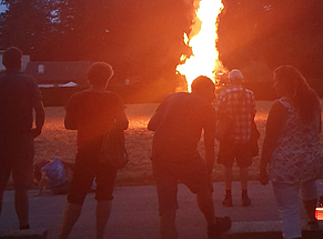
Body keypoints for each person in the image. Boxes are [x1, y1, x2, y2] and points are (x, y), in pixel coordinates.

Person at [148, 75, 231, 239]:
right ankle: (212, 225)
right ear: (204, 89)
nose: (213, 96)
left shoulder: (172, 97)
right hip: (185, 155)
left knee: (167, 208)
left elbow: (152, 125)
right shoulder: (207, 108)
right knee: (203, 188)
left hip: (159, 154)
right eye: (212, 91)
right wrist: (207, 174)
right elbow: (209, 146)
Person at [57, 62, 128, 239]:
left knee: (77, 195)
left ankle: (63, 235)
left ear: (89, 77)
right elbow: (123, 123)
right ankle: (100, 235)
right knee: (105, 195)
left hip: (85, 150)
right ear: (108, 78)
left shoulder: (77, 98)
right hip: (108, 152)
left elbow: (69, 124)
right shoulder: (114, 98)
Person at [0, 47, 45, 231]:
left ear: (3, 63)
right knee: (21, 187)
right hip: (22, 139)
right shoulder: (29, 82)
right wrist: (36, 130)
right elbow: (39, 110)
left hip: (0, 141)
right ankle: (24, 225)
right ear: (21, 61)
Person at [259, 65, 323, 239]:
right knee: (310, 188)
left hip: (287, 164)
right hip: (312, 159)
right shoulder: (314, 102)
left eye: (276, 82)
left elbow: (270, 139)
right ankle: (314, 220)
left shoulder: (280, 106)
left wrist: (262, 167)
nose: (274, 86)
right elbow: (318, 129)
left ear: (284, 83)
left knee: (288, 210)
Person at [215, 69, 257, 207]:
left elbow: (217, 113)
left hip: (228, 137)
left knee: (227, 166)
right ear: (241, 79)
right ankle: (245, 196)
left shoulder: (224, 94)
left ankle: (228, 196)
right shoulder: (250, 94)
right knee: (244, 167)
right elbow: (252, 113)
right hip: (245, 137)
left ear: (231, 80)